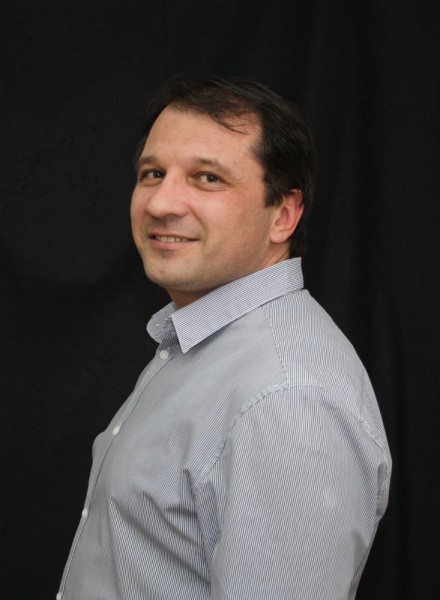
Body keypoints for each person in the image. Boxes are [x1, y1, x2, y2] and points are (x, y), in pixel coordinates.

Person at [57, 75, 391, 600]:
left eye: (207, 178)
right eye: (153, 173)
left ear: (284, 214)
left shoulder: (287, 399)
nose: (162, 203)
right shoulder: (199, 342)